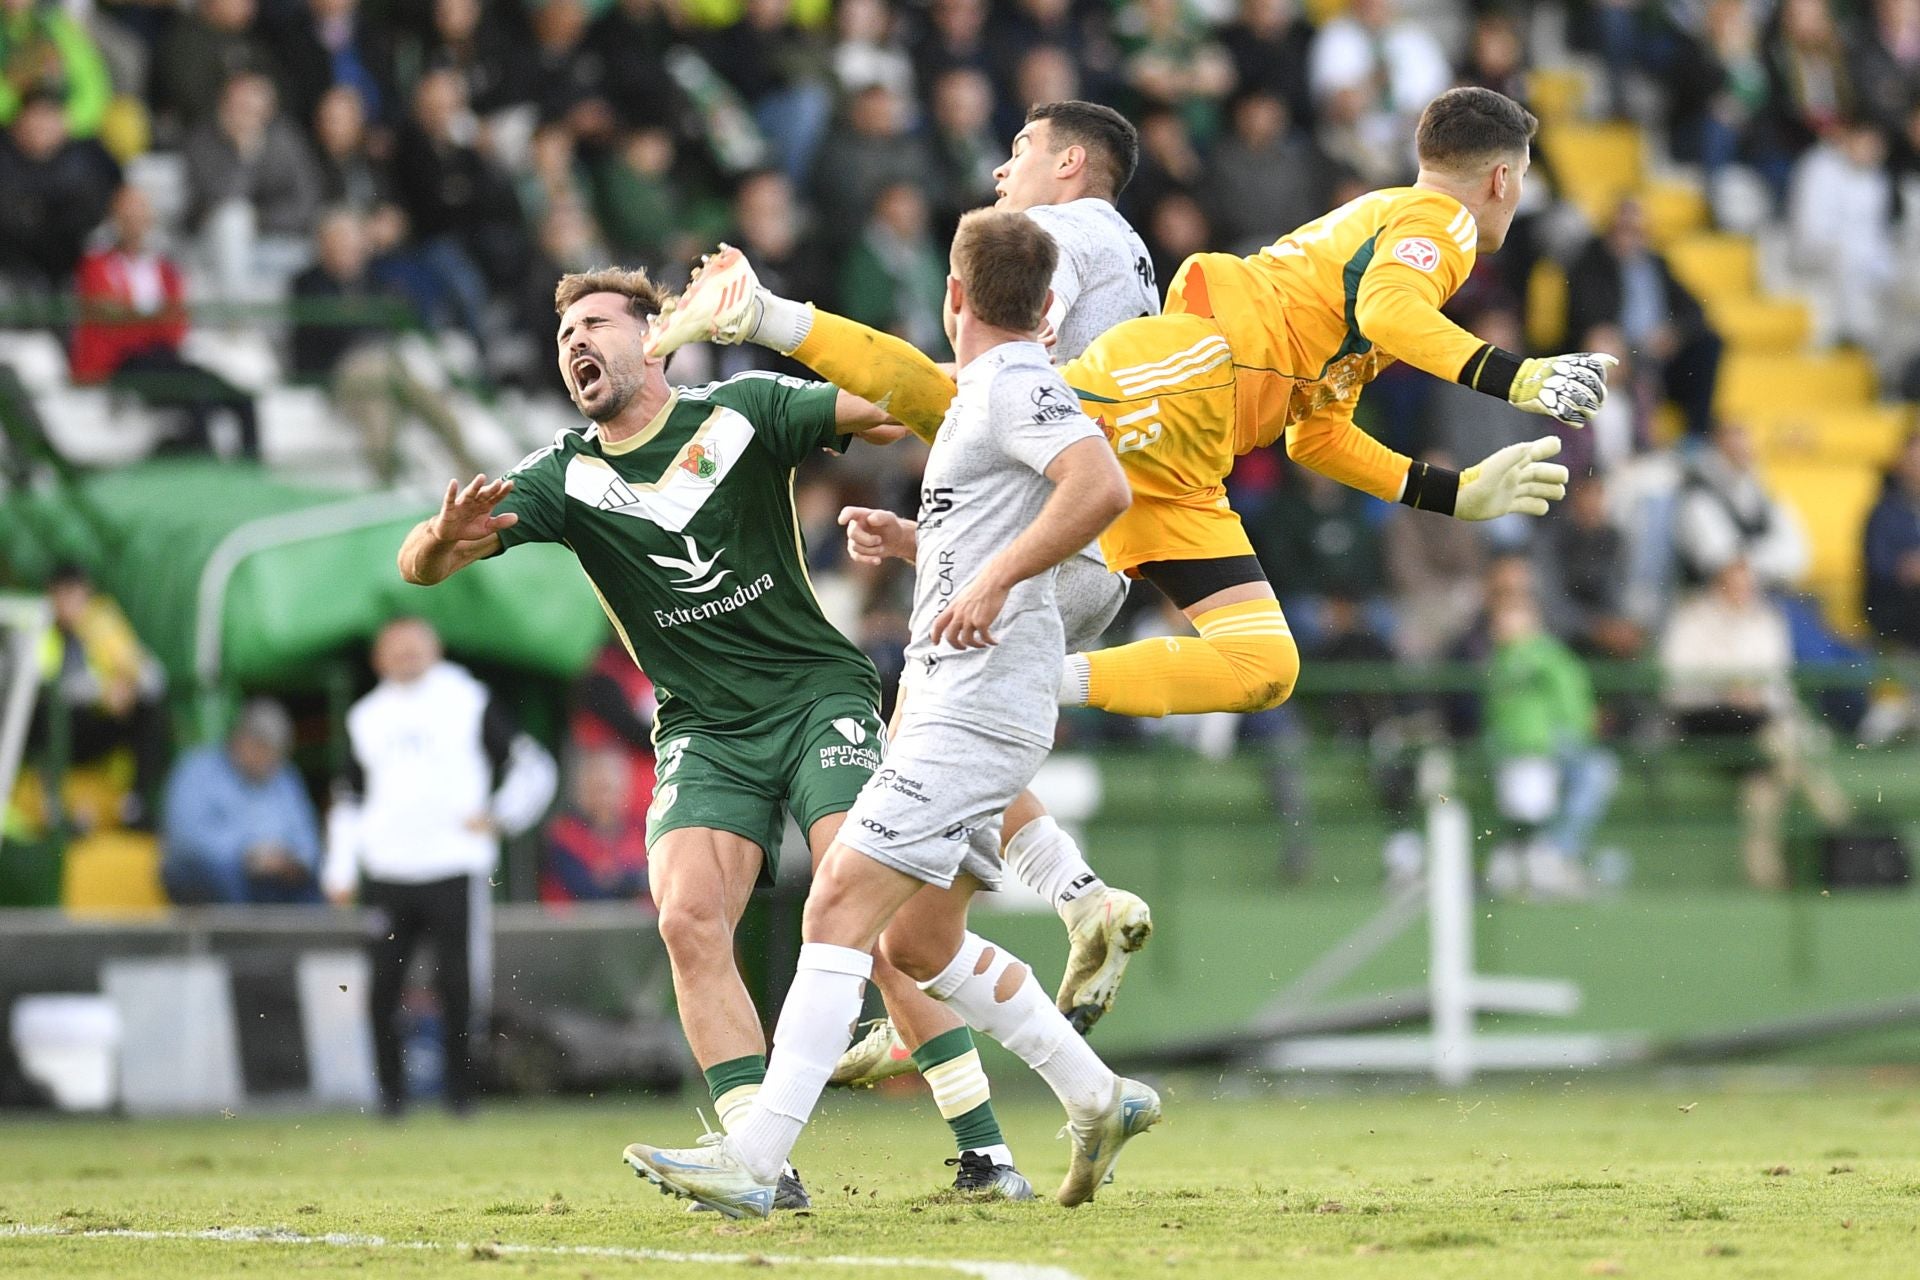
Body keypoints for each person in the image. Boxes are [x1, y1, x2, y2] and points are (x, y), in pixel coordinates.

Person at [653, 87, 1601, 729]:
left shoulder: (1380, 233)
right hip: (1189, 375)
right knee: (959, 402)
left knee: (1264, 665)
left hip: (1196, 457)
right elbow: (1396, 310)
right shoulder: (1441, 224)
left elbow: (1315, 430)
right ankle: (761, 311)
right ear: (1503, 178)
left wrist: (1450, 493)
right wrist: (1516, 378)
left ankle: (1043, 686)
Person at [393, 268, 1034, 1200]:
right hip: (705, 729)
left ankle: (987, 1157)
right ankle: (759, 1166)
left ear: (652, 338)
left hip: (818, 697)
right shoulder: (565, 476)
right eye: (563, 332)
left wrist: (1002, 384)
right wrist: (441, 537)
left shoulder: (745, 410)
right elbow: (419, 568)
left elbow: (897, 405)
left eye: (596, 324)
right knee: (689, 919)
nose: (575, 343)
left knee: (875, 918)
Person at [622, 208, 1153, 1218]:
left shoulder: (1013, 383)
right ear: (1045, 306)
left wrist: (989, 580)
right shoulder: (989, 396)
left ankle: (756, 1157)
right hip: (966, 699)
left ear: (952, 297)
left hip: (974, 708)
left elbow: (1100, 486)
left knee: (837, 905)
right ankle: (1100, 1093)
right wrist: (922, 546)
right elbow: (1021, 520)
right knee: (917, 945)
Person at [830, 102, 1164, 1088]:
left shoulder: (1054, 234)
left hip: (1060, 526)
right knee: (929, 783)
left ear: (1069, 163)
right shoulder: (1130, 252)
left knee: (922, 727)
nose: (1001, 168)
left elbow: (1002, 352)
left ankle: (1075, 894)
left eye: (1020, 150)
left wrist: (862, 379)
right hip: (1093, 548)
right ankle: (918, 986)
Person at [321, 617, 557, 1117]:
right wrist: (339, 868)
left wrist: (501, 816)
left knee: (459, 986)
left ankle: (461, 1096)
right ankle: (389, 1097)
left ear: (435, 648)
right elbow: (348, 796)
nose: (406, 657)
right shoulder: (365, 716)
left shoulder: (468, 700)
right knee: (383, 986)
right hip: (387, 870)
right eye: (395, 648)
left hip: (454, 865)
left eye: (415, 646)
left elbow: (532, 767)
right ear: (378, 659)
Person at [1661, 559, 1850, 890]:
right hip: (1706, 719)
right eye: (1734, 585)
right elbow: (1675, 686)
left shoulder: (1766, 620)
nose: (1742, 593)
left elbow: (1778, 686)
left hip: (1759, 723)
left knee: (1763, 781)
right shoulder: (1692, 620)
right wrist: (1724, 689)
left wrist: (1752, 694)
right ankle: (1842, 823)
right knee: (1778, 749)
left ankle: (1766, 877)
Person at [71, 184, 261, 459]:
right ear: (115, 220)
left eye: (140, 216)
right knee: (196, 397)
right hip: (123, 364)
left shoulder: (165, 268)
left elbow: (175, 326)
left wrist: (133, 318)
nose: (135, 224)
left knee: (243, 400)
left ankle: (251, 475)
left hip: (165, 357)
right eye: (127, 217)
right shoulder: (96, 265)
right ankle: (204, 473)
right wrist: (150, 321)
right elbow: (108, 324)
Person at [1482, 594, 1618, 899]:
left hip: (1546, 744)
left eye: (1513, 615)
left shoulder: (1538, 656)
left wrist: (1572, 733)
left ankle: (1551, 855)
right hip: (1522, 747)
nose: (1503, 624)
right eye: (1500, 617)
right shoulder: (1502, 659)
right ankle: (1542, 858)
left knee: (1593, 774)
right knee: (1530, 803)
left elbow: (1571, 697)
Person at [33, 563, 167, 829]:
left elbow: (152, 677)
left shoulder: (102, 622)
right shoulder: (38, 627)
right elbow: (42, 684)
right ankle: (55, 813)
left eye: (77, 595)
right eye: (63, 595)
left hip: (92, 728)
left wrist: (129, 686)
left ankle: (135, 807)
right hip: (53, 727)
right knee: (44, 716)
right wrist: (103, 690)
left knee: (150, 710)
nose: (70, 604)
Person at [160, 699, 322, 905]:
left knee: (308, 884)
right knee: (225, 874)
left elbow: (308, 841)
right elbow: (186, 837)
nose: (273, 761)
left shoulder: (285, 777)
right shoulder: (196, 769)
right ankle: (241, 938)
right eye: (266, 750)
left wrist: (290, 861)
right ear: (244, 740)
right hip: (203, 873)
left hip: (271, 874)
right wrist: (249, 854)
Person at [541, 748, 650, 905]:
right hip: (578, 926)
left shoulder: (641, 832)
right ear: (582, 792)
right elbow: (588, 892)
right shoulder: (564, 836)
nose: (606, 799)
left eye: (611, 789)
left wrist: (618, 880)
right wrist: (632, 881)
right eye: (598, 790)